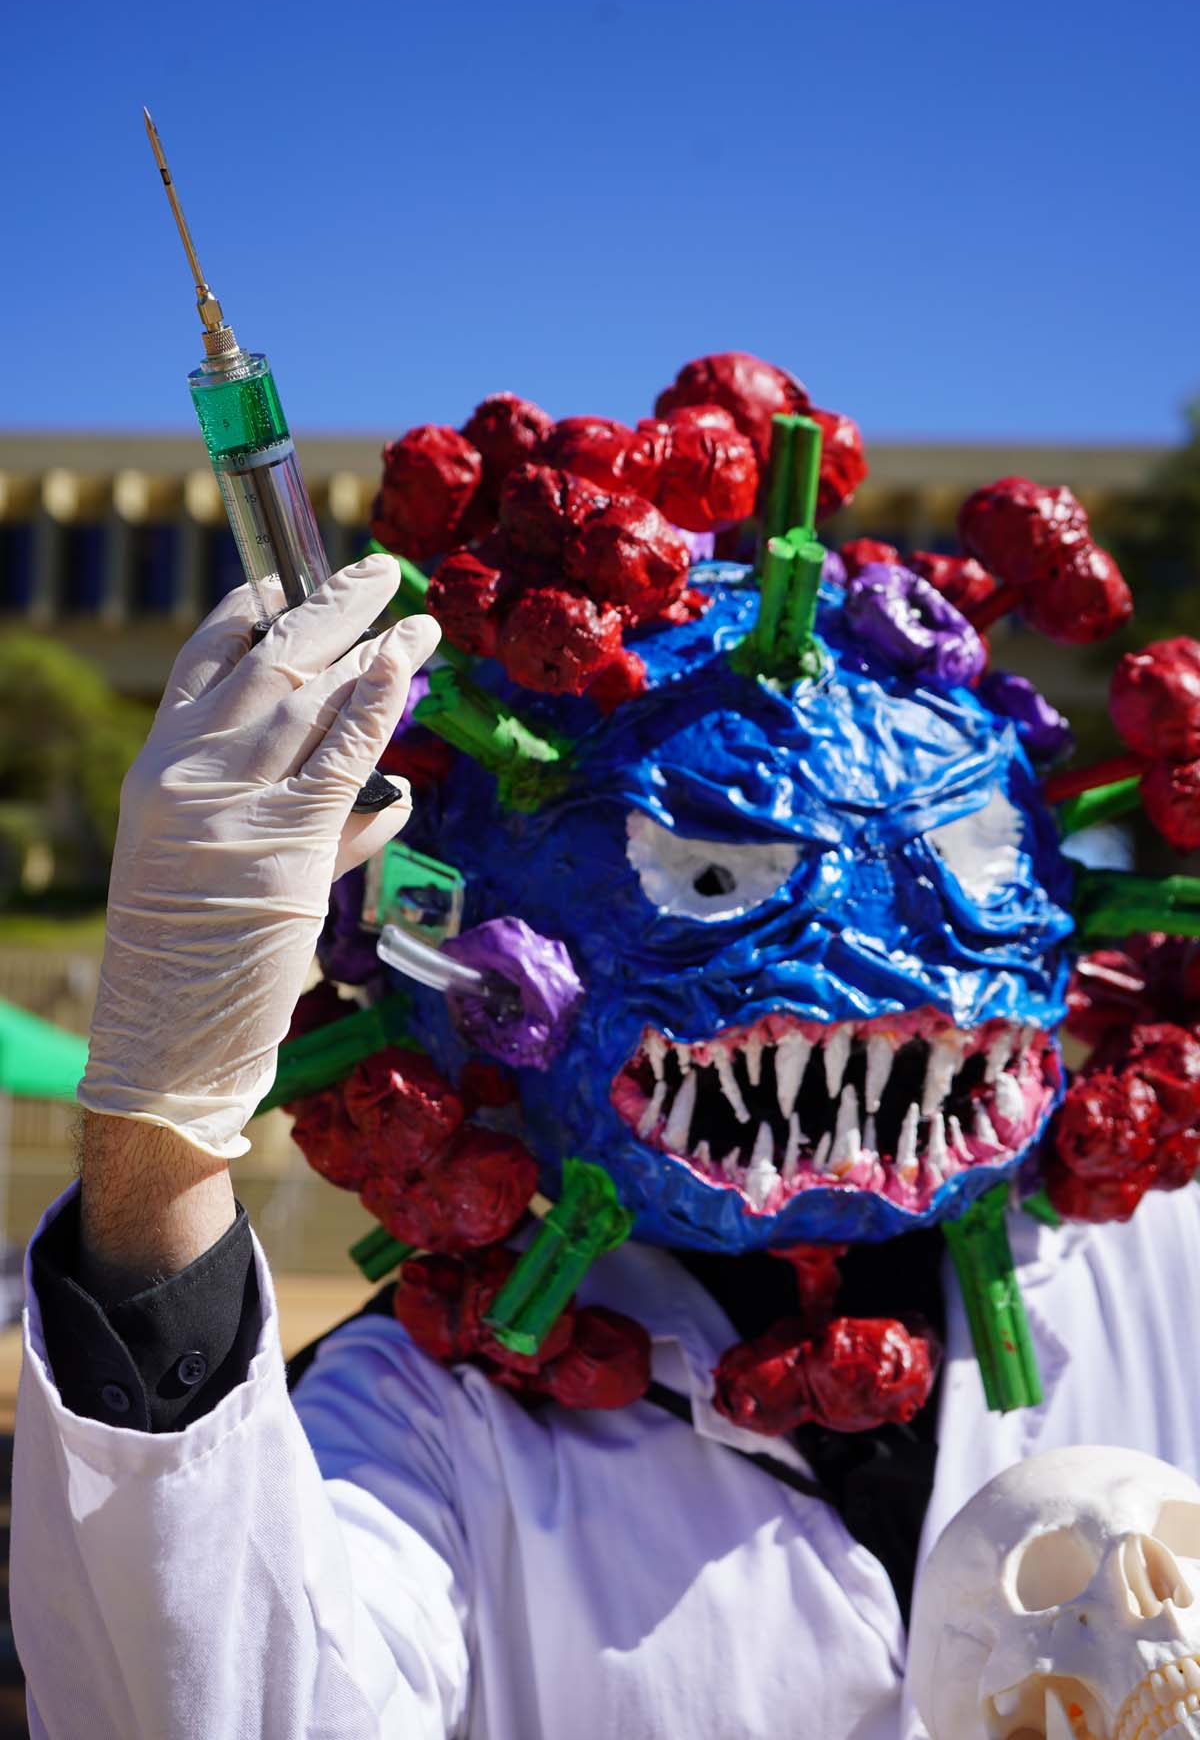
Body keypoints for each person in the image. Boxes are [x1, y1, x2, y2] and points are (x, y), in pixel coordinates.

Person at [11, 551, 1200, 1740]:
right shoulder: (422, 1418)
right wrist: (160, 1123)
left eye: (970, 858)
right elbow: (222, 1707)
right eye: (714, 874)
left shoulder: (1164, 1265)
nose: (864, 969)